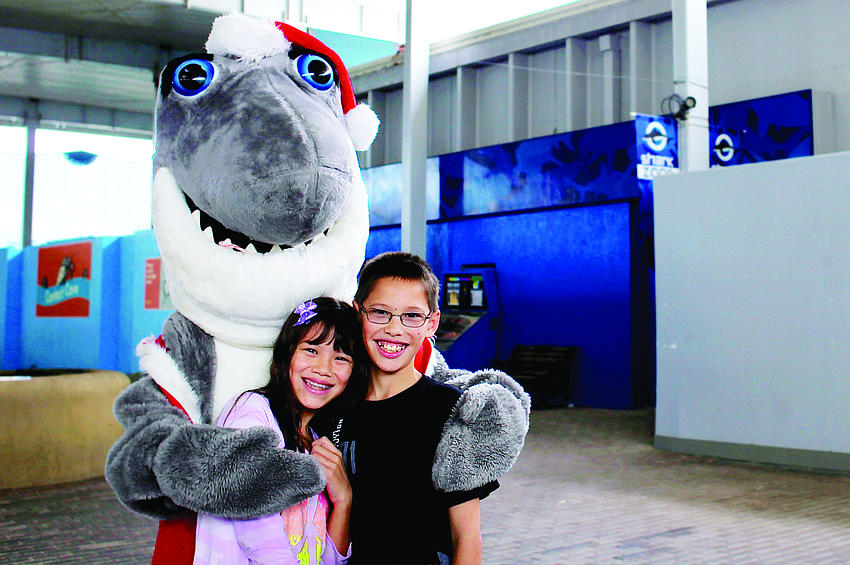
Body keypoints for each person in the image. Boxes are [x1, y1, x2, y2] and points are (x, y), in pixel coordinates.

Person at [318, 252, 498, 565]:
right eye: (380, 312)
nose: (394, 329)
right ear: (358, 313)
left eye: (412, 316)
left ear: (432, 323)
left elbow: (466, 536)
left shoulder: (452, 412)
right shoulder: (332, 407)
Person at [193, 297, 369, 565]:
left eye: (341, 358)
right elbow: (257, 533)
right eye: (311, 350)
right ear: (288, 352)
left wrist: (344, 500)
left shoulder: (318, 440)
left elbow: (330, 560)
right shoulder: (251, 412)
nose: (323, 369)